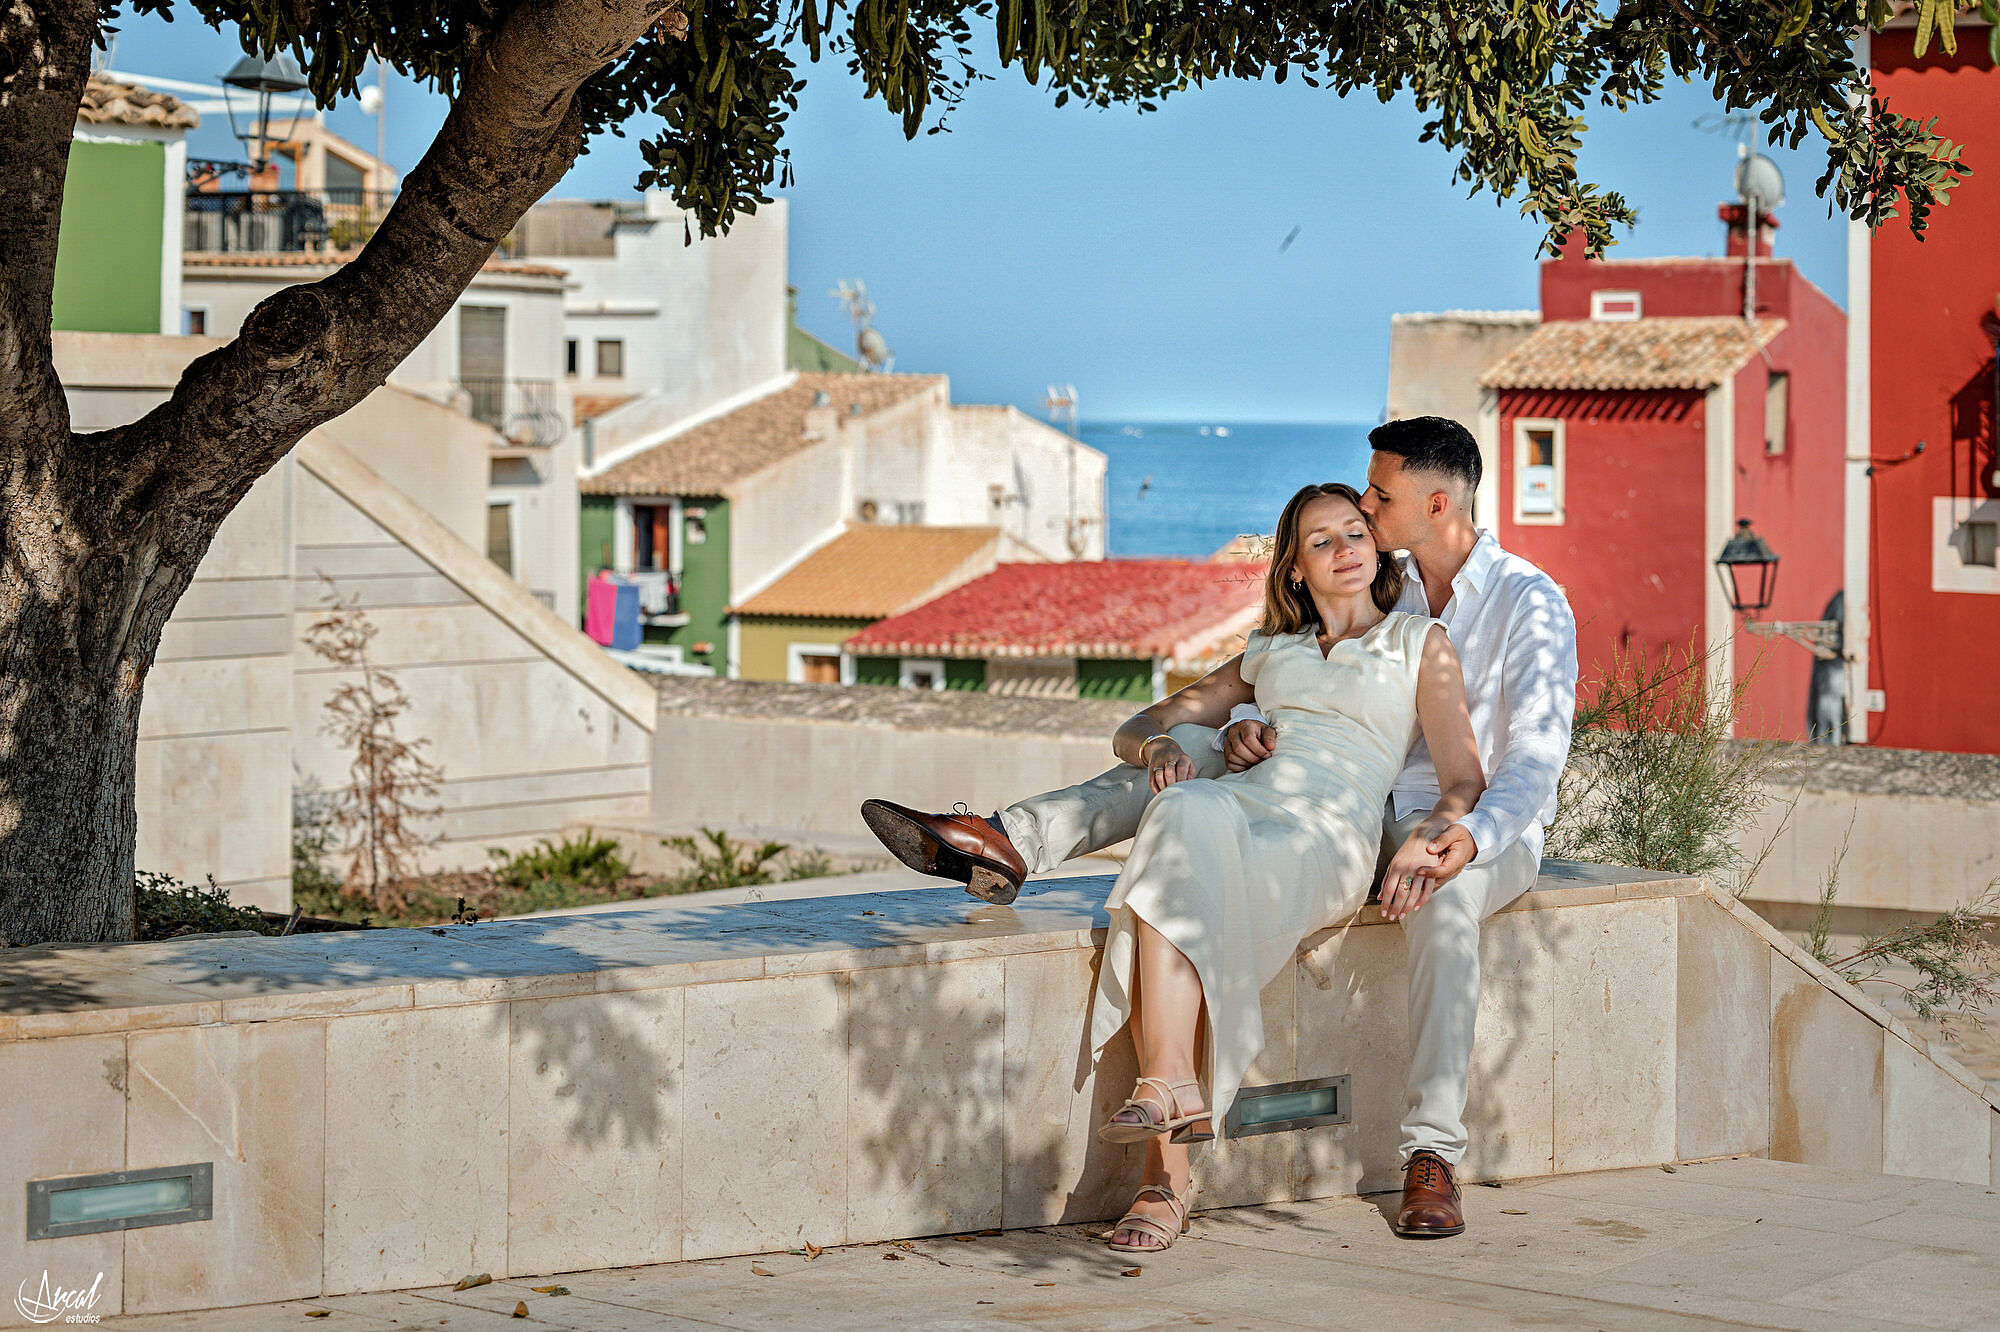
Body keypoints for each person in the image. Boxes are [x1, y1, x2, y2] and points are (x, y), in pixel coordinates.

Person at [861, 416, 1579, 1245]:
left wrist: (1466, 833)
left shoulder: (1524, 604)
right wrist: (1244, 725)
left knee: (1443, 903)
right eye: (1341, 526)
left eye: (1376, 502)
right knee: (1191, 762)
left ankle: (1432, 1155)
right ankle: (1011, 840)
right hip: (1350, 804)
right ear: (1300, 568)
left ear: (1437, 501)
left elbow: (1531, 759)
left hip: (1472, 821)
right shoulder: (1385, 585)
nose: (1364, 521)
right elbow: (1292, 694)